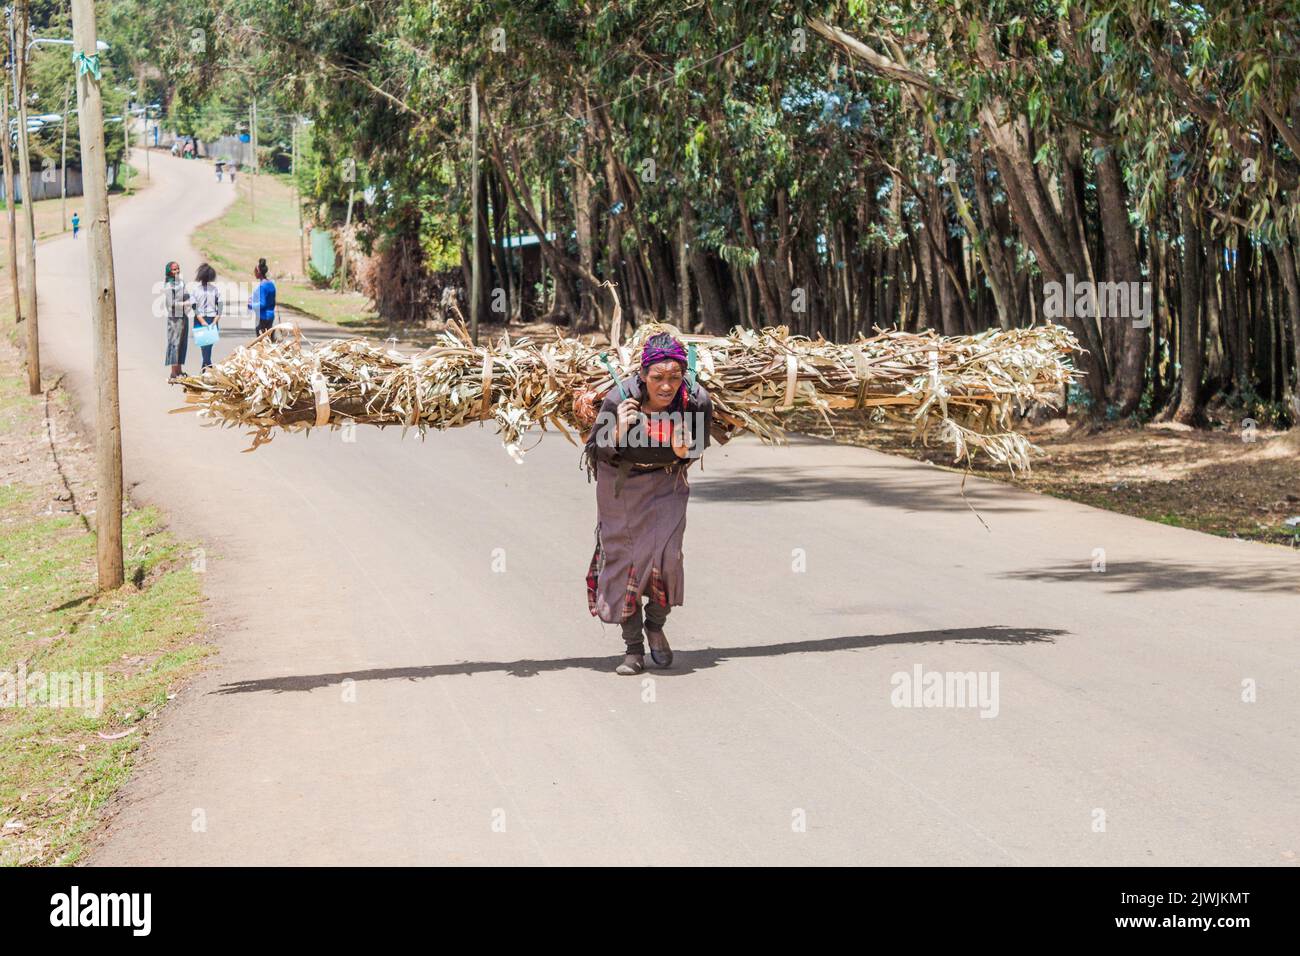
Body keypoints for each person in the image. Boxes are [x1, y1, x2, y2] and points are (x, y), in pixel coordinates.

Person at [581, 331, 714, 675]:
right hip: (621, 484)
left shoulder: (695, 401)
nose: (666, 385)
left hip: (668, 481)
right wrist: (619, 430)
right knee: (626, 563)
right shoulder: (619, 398)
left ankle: (655, 626)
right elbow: (595, 450)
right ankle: (633, 649)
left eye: (674, 377)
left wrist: (686, 450)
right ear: (643, 376)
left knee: (667, 558)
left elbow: (699, 446)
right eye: (658, 378)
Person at [189, 263, 222, 370]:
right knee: (207, 345)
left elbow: (195, 308)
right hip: (210, 319)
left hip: (202, 320)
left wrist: (202, 321)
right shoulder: (215, 290)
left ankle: (206, 365)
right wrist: (214, 321)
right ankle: (207, 365)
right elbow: (220, 308)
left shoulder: (196, 290)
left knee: (205, 345)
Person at [163, 261, 189, 381]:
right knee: (174, 343)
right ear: (169, 271)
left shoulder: (181, 282)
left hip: (183, 316)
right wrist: (184, 303)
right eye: (174, 269)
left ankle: (179, 370)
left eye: (178, 269)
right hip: (174, 319)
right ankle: (173, 372)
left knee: (182, 343)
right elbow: (171, 304)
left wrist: (190, 299)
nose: (177, 271)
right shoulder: (169, 285)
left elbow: (186, 294)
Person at [248, 258, 277, 338]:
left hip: (263, 317)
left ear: (258, 272)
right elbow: (272, 301)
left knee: (262, 342)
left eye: (255, 271)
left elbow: (262, 303)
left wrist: (251, 305)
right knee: (269, 340)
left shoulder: (262, 286)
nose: (254, 273)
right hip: (271, 316)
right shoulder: (271, 284)